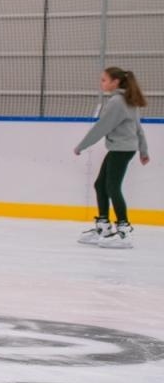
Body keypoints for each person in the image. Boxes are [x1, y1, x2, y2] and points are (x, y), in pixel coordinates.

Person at [75, 66, 149, 249]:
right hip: (123, 148)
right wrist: (143, 150)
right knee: (101, 185)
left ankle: (124, 231)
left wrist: (82, 145)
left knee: (112, 187)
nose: (102, 83)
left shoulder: (117, 102)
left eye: (104, 80)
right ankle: (104, 227)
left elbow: (101, 127)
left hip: (121, 149)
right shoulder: (128, 99)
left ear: (115, 82)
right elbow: (138, 128)